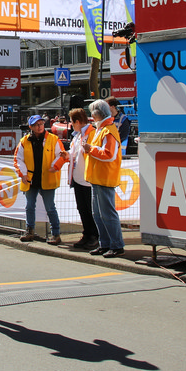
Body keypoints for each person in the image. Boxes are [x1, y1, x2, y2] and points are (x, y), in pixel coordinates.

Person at [14, 114, 67, 244]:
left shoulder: (53, 139)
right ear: (31, 127)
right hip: (31, 179)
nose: (40, 127)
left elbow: (62, 155)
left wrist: (55, 166)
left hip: (47, 178)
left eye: (41, 124)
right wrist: (23, 174)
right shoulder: (24, 141)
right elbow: (18, 159)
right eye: (37, 125)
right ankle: (29, 231)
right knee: (29, 206)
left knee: (50, 208)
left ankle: (56, 234)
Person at [83, 99, 124, 258]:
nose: (91, 116)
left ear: (97, 114)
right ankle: (105, 244)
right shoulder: (102, 130)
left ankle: (116, 245)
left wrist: (90, 149)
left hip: (104, 178)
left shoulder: (108, 131)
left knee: (107, 214)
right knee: (99, 214)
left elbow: (109, 155)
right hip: (98, 178)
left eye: (93, 113)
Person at [66, 107, 98, 250]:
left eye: (72, 122)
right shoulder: (78, 136)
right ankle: (87, 234)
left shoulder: (91, 133)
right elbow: (75, 153)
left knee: (90, 209)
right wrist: (67, 155)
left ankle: (94, 236)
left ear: (78, 122)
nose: (72, 125)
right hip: (78, 178)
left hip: (88, 180)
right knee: (82, 208)